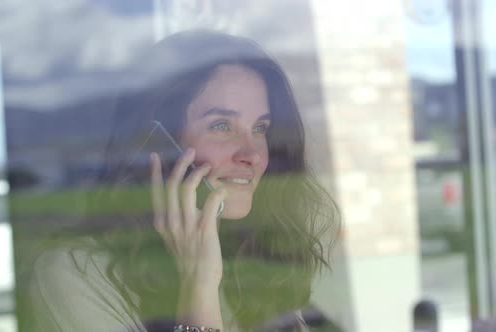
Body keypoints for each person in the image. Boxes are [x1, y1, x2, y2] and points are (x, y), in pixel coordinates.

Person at [29, 30, 341, 332]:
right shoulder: (76, 272)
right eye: (221, 126)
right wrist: (199, 286)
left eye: (259, 128)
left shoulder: (255, 257)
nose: (253, 155)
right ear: (157, 143)